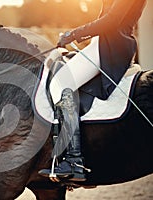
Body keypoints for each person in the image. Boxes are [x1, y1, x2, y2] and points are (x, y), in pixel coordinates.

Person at [39, 0, 147, 181]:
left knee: (61, 83)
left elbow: (112, 20)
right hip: (102, 44)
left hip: (111, 47)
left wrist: (74, 34)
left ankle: (74, 160)